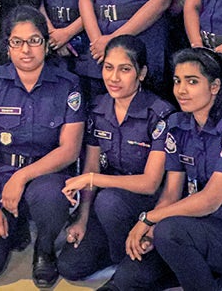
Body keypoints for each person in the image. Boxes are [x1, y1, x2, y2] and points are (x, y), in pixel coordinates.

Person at [106, 48, 222, 291]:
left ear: (215, 86)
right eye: (177, 81)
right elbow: (170, 195)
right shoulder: (179, 126)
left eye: (192, 81)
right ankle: (211, 276)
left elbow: (210, 201)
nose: (181, 90)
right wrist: (150, 231)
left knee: (170, 231)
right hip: (200, 227)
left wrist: (150, 219)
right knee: (128, 277)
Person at [0, 7, 85, 287]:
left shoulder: (68, 85)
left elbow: (70, 150)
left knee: (52, 196)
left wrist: (22, 176)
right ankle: (2, 220)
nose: (26, 50)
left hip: (45, 175)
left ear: (45, 43)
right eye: (17, 42)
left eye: (34, 40)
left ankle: (44, 249)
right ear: (7, 46)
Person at [56, 35, 174, 283]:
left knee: (110, 202)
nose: (114, 77)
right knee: (69, 266)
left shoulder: (160, 114)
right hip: (108, 208)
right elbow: (90, 165)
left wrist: (92, 178)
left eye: (125, 69)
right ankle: (118, 251)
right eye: (108, 68)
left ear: (141, 73)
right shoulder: (98, 108)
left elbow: (151, 183)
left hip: (147, 207)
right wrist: (83, 218)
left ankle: (134, 258)